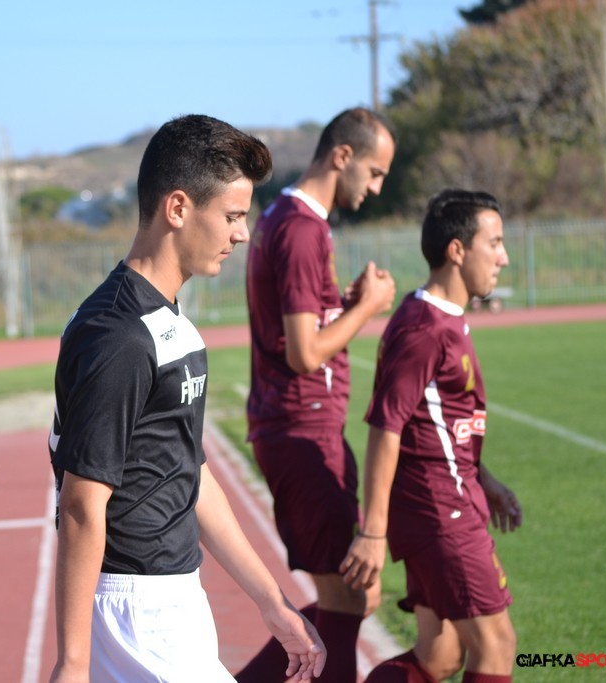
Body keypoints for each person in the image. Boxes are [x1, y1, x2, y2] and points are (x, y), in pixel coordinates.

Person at [47, 114, 326, 683]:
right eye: (232, 216)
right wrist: (72, 662)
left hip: (172, 600)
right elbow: (81, 504)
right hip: (134, 611)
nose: (242, 234)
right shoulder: (119, 335)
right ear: (178, 208)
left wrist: (271, 601)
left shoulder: (169, 323)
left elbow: (187, 471)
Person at [238, 107, 397, 682]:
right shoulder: (303, 228)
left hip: (299, 425)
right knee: (348, 599)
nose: (375, 189)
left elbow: (297, 328)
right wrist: (367, 308)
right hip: (302, 428)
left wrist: (343, 304)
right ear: (342, 156)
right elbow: (305, 353)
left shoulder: (284, 216)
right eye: (374, 173)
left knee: (354, 595)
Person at [340, 189, 521, 683]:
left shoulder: (441, 318)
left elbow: (435, 423)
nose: (504, 257)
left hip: (445, 501)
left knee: (438, 656)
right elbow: (386, 426)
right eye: (495, 243)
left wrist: (484, 477)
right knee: (496, 645)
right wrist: (372, 533)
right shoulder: (424, 329)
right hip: (441, 511)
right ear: (457, 250)